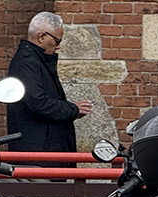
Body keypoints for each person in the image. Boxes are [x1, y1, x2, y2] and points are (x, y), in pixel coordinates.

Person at [6, 12, 93, 156]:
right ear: (41, 37)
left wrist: (72, 111)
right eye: (57, 41)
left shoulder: (35, 61)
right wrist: (73, 109)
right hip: (39, 153)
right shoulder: (27, 63)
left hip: (45, 149)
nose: (58, 47)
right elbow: (38, 102)